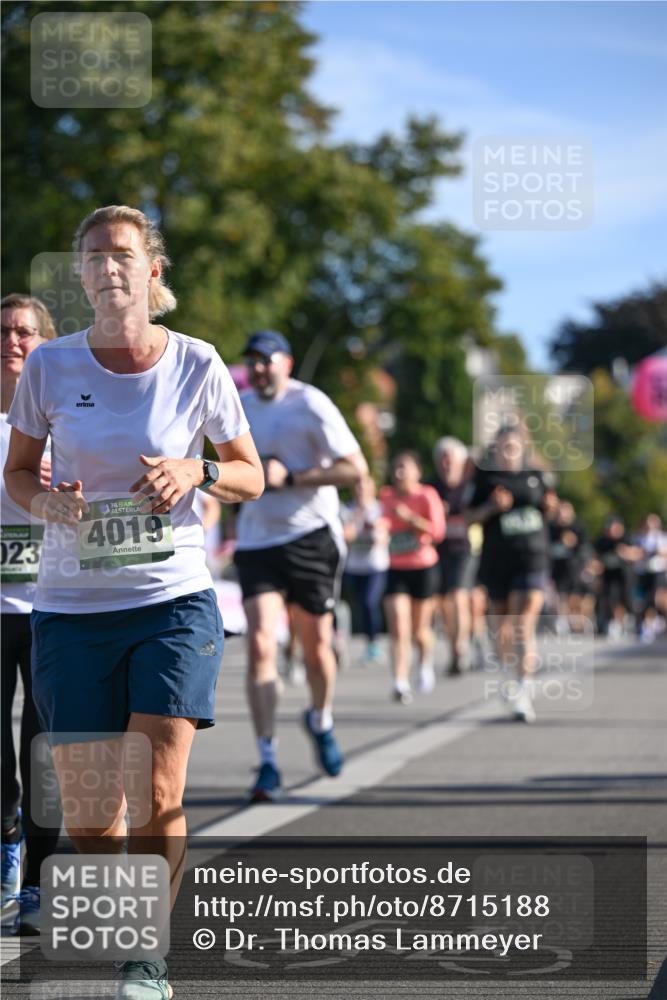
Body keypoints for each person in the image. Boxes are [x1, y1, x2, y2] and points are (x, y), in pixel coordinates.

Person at [4, 205, 263, 998]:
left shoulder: (196, 362)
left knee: (157, 788)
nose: (107, 267)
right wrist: (45, 503)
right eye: (92, 257)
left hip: (171, 599)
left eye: (122, 254)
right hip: (72, 606)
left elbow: (250, 470)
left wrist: (198, 473)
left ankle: (146, 958)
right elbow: (18, 472)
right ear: (80, 276)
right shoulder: (50, 367)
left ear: (152, 271)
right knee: (88, 812)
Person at [233, 330, 367, 803]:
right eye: (253, 361)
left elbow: (356, 470)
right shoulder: (239, 405)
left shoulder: (312, 404)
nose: (260, 369)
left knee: (316, 649)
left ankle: (320, 717)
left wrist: (292, 477)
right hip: (257, 539)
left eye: (267, 360)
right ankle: (267, 760)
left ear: (286, 363)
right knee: (262, 642)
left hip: (311, 536)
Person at [1, 294, 61, 935]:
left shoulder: (65, 416)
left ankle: (39, 885)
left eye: (25, 332)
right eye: (3, 331)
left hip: (52, 606)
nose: (13, 341)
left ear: (45, 342)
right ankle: (7, 835)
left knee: (44, 752)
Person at [465, 426, 558, 722]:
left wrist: (552, 508)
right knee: (499, 627)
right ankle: (510, 673)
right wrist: (491, 507)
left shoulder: (536, 478)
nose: (508, 453)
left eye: (513, 447)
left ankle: (523, 688)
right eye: (503, 447)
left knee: (522, 624)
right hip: (497, 561)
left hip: (532, 557)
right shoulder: (485, 479)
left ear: (522, 449)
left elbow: (551, 511)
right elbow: (468, 516)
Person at [380, 451, 445, 703]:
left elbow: (438, 532)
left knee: (419, 630)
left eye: (404, 468)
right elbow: (380, 522)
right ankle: (399, 681)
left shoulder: (426, 495)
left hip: (423, 567)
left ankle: (425, 662)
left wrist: (410, 520)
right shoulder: (386, 496)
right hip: (395, 567)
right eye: (395, 468)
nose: (399, 473)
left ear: (417, 471)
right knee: (398, 627)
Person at [430, 437, 476, 675]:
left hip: (466, 549)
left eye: (451, 459)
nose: (447, 464)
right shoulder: (432, 488)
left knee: (459, 597)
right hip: (439, 550)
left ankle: (461, 648)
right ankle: (453, 648)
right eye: (443, 460)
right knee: (444, 604)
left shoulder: (471, 486)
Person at [341, 474, 390, 664]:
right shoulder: (348, 510)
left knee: (370, 602)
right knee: (359, 605)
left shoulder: (380, 509)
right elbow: (345, 536)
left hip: (375, 566)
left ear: (372, 488)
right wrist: (355, 524)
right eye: (357, 486)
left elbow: (384, 536)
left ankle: (374, 644)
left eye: (365, 486)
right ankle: (356, 642)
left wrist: (376, 529)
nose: (361, 490)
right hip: (353, 566)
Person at [593, 516, 642, 639]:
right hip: (609, 576)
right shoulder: (602, 541)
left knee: (626, 600)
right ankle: (614, 623)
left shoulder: (627, 538)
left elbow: (638, 554)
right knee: (610, 599)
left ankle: (627, 623)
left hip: (625, 576)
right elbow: (595, 558)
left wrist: (626, 552)